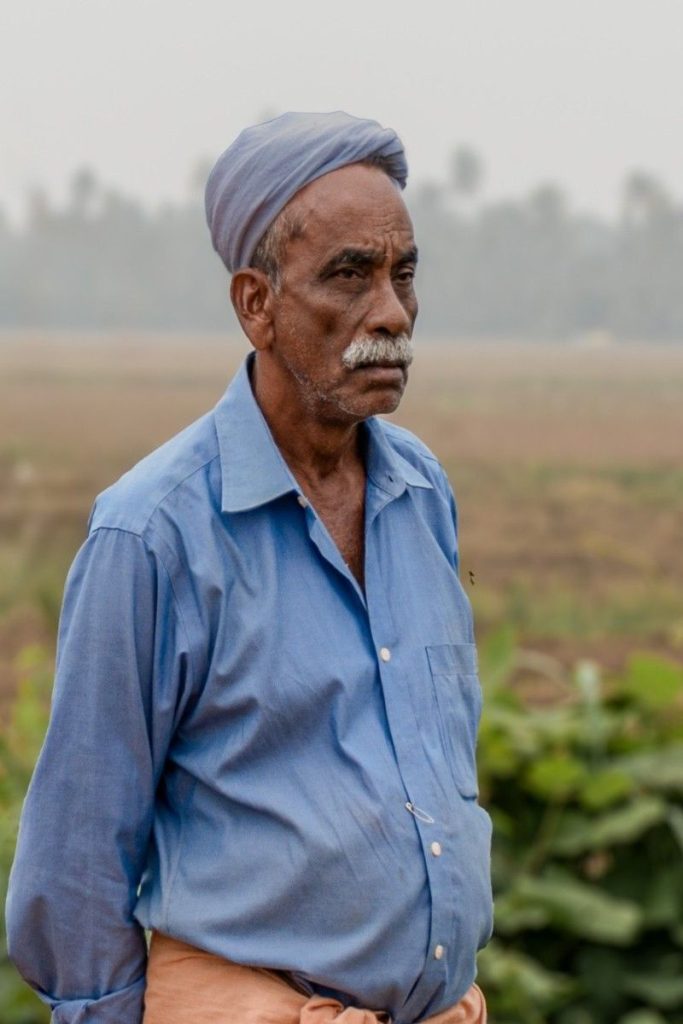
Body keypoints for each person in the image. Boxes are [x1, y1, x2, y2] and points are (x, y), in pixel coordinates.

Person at [6, 111, 493, 1024]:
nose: (389, 312)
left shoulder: (420, 493)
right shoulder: (153, 534)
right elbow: (73, 863)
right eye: (348, 275)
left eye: (403, 273)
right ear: (256, 305)